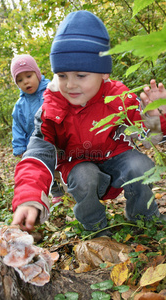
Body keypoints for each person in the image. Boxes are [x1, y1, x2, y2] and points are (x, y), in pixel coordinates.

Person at [11, 11, 166, 236]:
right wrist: (29, 195)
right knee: (85, 176)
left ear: (103, 73)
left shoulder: (118, 98)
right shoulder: (51, 109)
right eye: (62, 75)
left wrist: (155, 116)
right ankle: (95, 227)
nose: (70, 84)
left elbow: (147, 137)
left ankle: (144, 218)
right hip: (77, 165)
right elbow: (36, 155)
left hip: (115, 156)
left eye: (81, 75)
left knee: (140, 165)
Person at [11, 54, 64, 202]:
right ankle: (56, 192)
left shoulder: (51, 89)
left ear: (37, 73)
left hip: (57, 137)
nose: (26, 82)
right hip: (36, 142)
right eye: (20, 80)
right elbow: (18, 127)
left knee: (63, 163)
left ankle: (71, 186)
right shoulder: (20, 105)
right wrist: (19, 147)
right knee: (44, 166)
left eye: (29, 75)